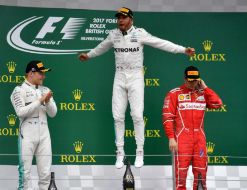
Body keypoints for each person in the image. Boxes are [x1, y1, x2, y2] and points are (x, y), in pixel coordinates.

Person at [79, 7, 195, 169]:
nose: (120, 20)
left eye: (123, 18)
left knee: (137, 115)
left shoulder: (140, 33)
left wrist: (183, 50)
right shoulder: (113, 35)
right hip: (119, 76)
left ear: (131, 20)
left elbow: (161, 43)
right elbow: (102, 47)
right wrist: (89, 55)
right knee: (117, 116)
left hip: (135, 76)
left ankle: (140, 152)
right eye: (118, 18)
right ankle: (120, 153)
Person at [162, 66, 223, 190]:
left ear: (199, 80)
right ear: (185, 79)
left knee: (201, 172)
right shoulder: (174, 93)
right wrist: (171, 138)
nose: (192, 82)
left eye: (195, 80)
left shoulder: (203, 94)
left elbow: (218, 104)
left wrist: (205, 88)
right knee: (181, 174)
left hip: (199, 140)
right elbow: (167, 117)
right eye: (190, 80)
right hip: (182, 139)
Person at [10, 60, 57, 190]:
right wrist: (40, 100)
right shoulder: (19, 90)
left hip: (44, 135)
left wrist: (47, 102)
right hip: (27, 135)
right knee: (25, 174)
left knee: (45, 174)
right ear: (31, 73)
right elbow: (20, 112)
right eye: (41, 73)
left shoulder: (46, 90)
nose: (44, 76)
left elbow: (53, 113)